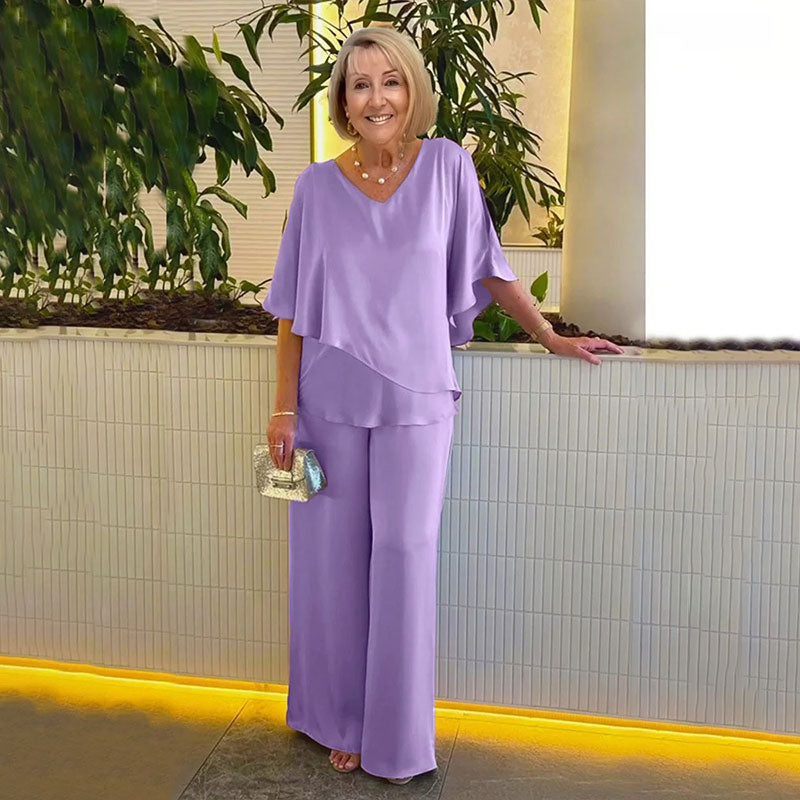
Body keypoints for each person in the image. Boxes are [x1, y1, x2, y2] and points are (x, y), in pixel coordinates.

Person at [263, 26, 623, 786]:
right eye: (360, 85)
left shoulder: (449, 167)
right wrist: (284, 408)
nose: (377, 98)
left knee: (404, 552)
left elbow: (490, 268)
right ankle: (343, 721)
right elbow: (291, 307)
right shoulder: (316, 188)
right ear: (343, 102)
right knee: (333, 566)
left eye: (390, 81)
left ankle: (395, 735)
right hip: (329, 398)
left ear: (413, 91)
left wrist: (550, 335)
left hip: (420, 394)